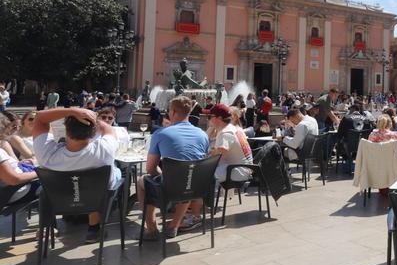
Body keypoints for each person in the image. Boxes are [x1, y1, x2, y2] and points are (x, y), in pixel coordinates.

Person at [32, 107, 123, 243]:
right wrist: (93, 117)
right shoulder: (105, 149)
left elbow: (39, 118)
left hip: (60, 201)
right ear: (93, 132)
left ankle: (48, 226)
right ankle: (94, 229)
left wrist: (72, 111)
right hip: (95, 199)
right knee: (114, 173)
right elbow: (108, 129)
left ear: (66, 129)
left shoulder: (46, 153)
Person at [138, 96, 210, 239]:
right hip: (197, 188)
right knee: (188, 176)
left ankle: (151, 229)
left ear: (174, 112)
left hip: (171, 188)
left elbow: (150, 169)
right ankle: (174, 225)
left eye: (169, 110)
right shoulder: (203, 135)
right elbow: (200, 163)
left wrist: (163, 174)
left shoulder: (161, 134)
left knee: (142, 181)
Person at [207, 104, 253, 183]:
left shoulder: (225, 133)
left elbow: (217, 158)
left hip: (237, 171)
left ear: (219, 118)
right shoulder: (233, 128)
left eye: (210, 117)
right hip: (244, 169)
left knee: (200, 174)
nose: (208, 120)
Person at [0, 114, 39, 206]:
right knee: (54, 185)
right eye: (7, 127)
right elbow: (14, 179)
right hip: (13, 192)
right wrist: (40, 173)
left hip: (13, 188)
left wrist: (20, 163)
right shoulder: (2, 148)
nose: (9, 130)